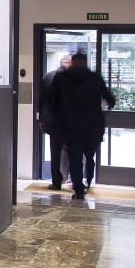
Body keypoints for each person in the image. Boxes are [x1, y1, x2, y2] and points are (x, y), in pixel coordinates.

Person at [49, 53, 115, 199]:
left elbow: (49, 98)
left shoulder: (61, 78)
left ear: (72, 62)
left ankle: (78, 190)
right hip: (93, 126)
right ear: (85, 63)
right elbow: (111, 99)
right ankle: (89, 182)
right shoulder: (95, 78)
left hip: (71, 125)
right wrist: (98, 106)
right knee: (90, 156)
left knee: (75, 157)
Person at [38, 54, 71, 190]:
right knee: (73, 151)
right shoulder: (72, 79)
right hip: (69, 121)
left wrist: (41, 119)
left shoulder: (47, 76)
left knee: (55, 152)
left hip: (52, 121)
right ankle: (74, 180)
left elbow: (41, 100)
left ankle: (56, 181)